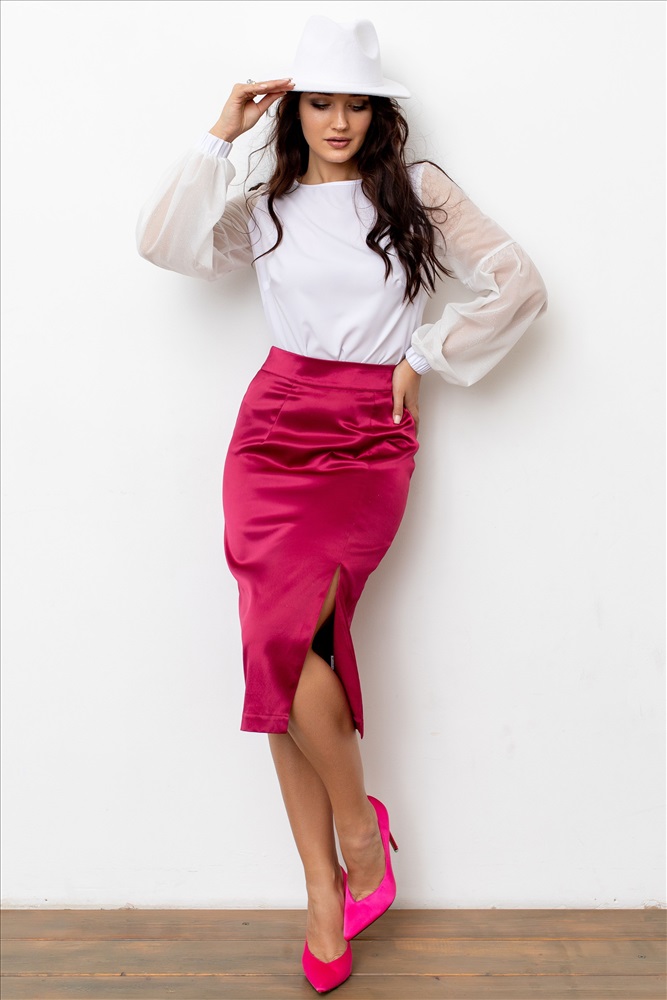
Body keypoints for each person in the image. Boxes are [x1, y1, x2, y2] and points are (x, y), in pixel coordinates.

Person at [136, 15, 547, 994]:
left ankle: (356, 848)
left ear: (377, 113)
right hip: (272, 426)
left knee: (291, 650)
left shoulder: (417, 190)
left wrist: (425, 354)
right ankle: (333, 878)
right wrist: (218, 134)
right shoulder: (264, 202)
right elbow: (164, 244)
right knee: (275, 653)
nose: (336, 120)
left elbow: (519, 285)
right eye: (318, 102)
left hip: (368, 430)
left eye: (354, 104)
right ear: (293, 113)